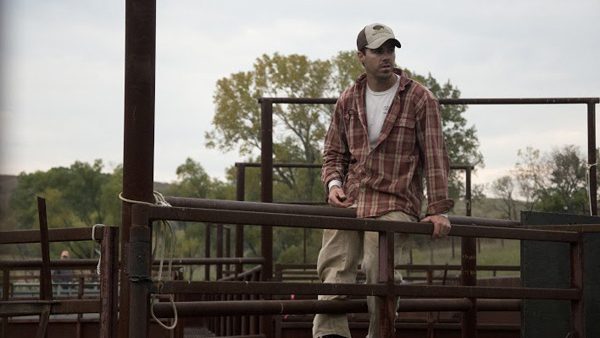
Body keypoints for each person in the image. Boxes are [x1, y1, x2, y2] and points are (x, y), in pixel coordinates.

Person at [313, 23, 454, 338]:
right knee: (335, 260)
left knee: (379, 266)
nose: (386, 56)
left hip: (395, 199)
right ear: (361, 56)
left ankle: (381, 333)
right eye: (378, 50)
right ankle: (329, 333)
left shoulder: (419, 98)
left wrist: (438, 209)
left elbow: (435, 156)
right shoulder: (348, 99)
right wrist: (333, 185)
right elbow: (333, 153)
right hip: (352, 197)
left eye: (390, 49)